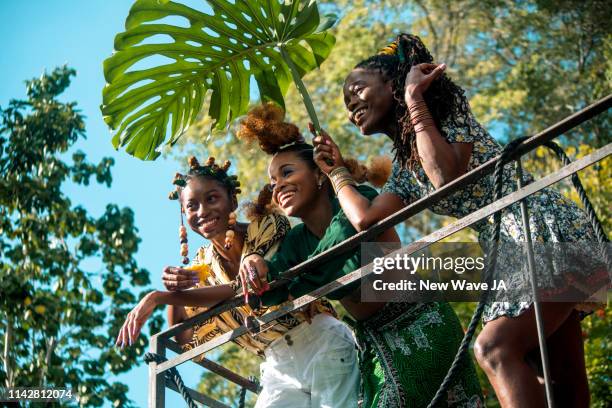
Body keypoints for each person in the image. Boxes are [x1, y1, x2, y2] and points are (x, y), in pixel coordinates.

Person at [313, 33, 605, 407]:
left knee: (494, 349)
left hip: (538, 225)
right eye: (345, 99)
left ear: (393, 83)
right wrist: (337, 171)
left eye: (357, 88)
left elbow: (445, 177)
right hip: (506, 245)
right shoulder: (405, 167)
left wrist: (415, 100)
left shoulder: (445, 108)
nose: (350, 101)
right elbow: (366, 220)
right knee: (554, 380)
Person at [239, 103, 484, 408]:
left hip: (421, 321)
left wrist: (285, 280)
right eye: (273, 182)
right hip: (374, 339)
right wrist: (254, 263)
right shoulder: (296, 241)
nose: (278, 187)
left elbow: (333, 254)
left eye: (287, 172)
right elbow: (271, 290)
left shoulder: (357, 204)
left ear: (319, 174)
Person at [115, 155, 360, 408]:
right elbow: (185, 338)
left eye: (212, 198)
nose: (203, 211)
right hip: (276, 366)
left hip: (318, 338)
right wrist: (175, 292)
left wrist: (158, 297)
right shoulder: (202, 269)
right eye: (191, 206)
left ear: (232, 199)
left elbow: (251, 285)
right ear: (183, 214)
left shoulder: (266, 226)